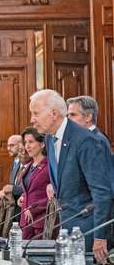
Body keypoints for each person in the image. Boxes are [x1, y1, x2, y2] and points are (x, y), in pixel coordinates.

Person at [29, 89, 111, 262]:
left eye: (35, 113)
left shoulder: (86, 140)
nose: (32, 120)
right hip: (67, 227)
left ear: (53, 113)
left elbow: (102, 192)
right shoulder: (50, 139)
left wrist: (100, 236)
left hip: (88, 231)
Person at [66, 95, 114, 250]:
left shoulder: (95, 140)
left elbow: (103, 189)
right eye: (67, 115)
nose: (68, 120)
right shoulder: (83, 139)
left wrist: (100, 234)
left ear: (88, 117)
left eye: (73, 115)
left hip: (91, 218)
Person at [17, 127, 50, 239]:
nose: (27, 146)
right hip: (25, 222)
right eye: (25, 142)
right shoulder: (29, 165)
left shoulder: (50, 166)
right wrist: (23, 197)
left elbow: (55, 194)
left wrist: (35, 207)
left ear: (42, 144)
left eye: (31, 142)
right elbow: (30, 189)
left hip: (41, 222)